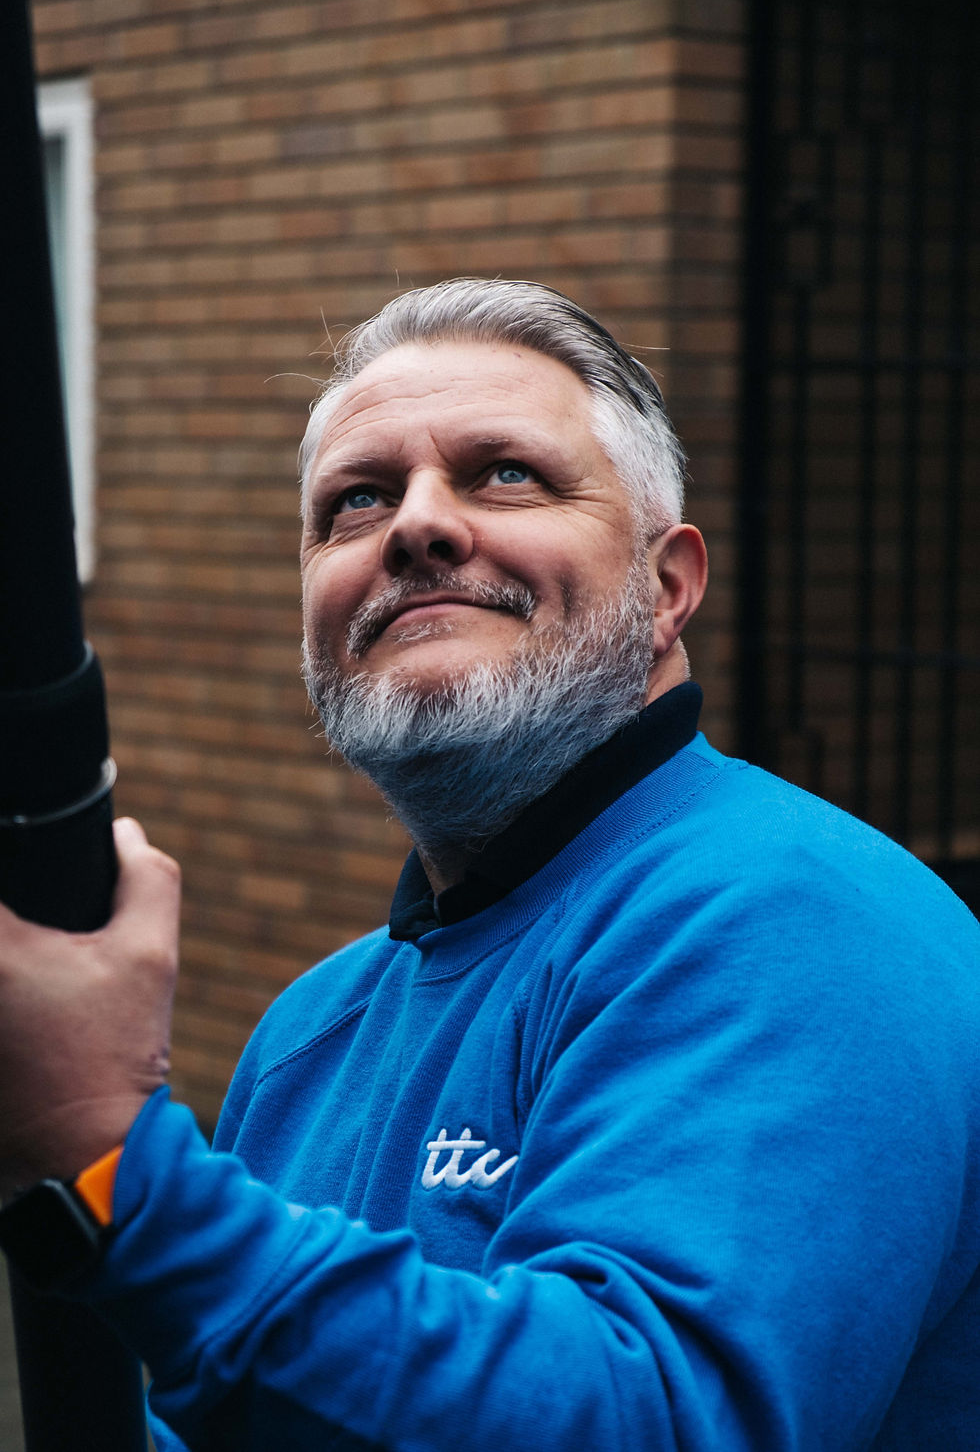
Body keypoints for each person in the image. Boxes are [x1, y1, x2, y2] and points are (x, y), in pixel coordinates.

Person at [1, 279, 978, 1451]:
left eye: (504, 473)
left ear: (665, 589)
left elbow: (651, 1418)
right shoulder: (312, 1026)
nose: (416, 524)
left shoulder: (798, 920)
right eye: (354, 502)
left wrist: (107, 1156)